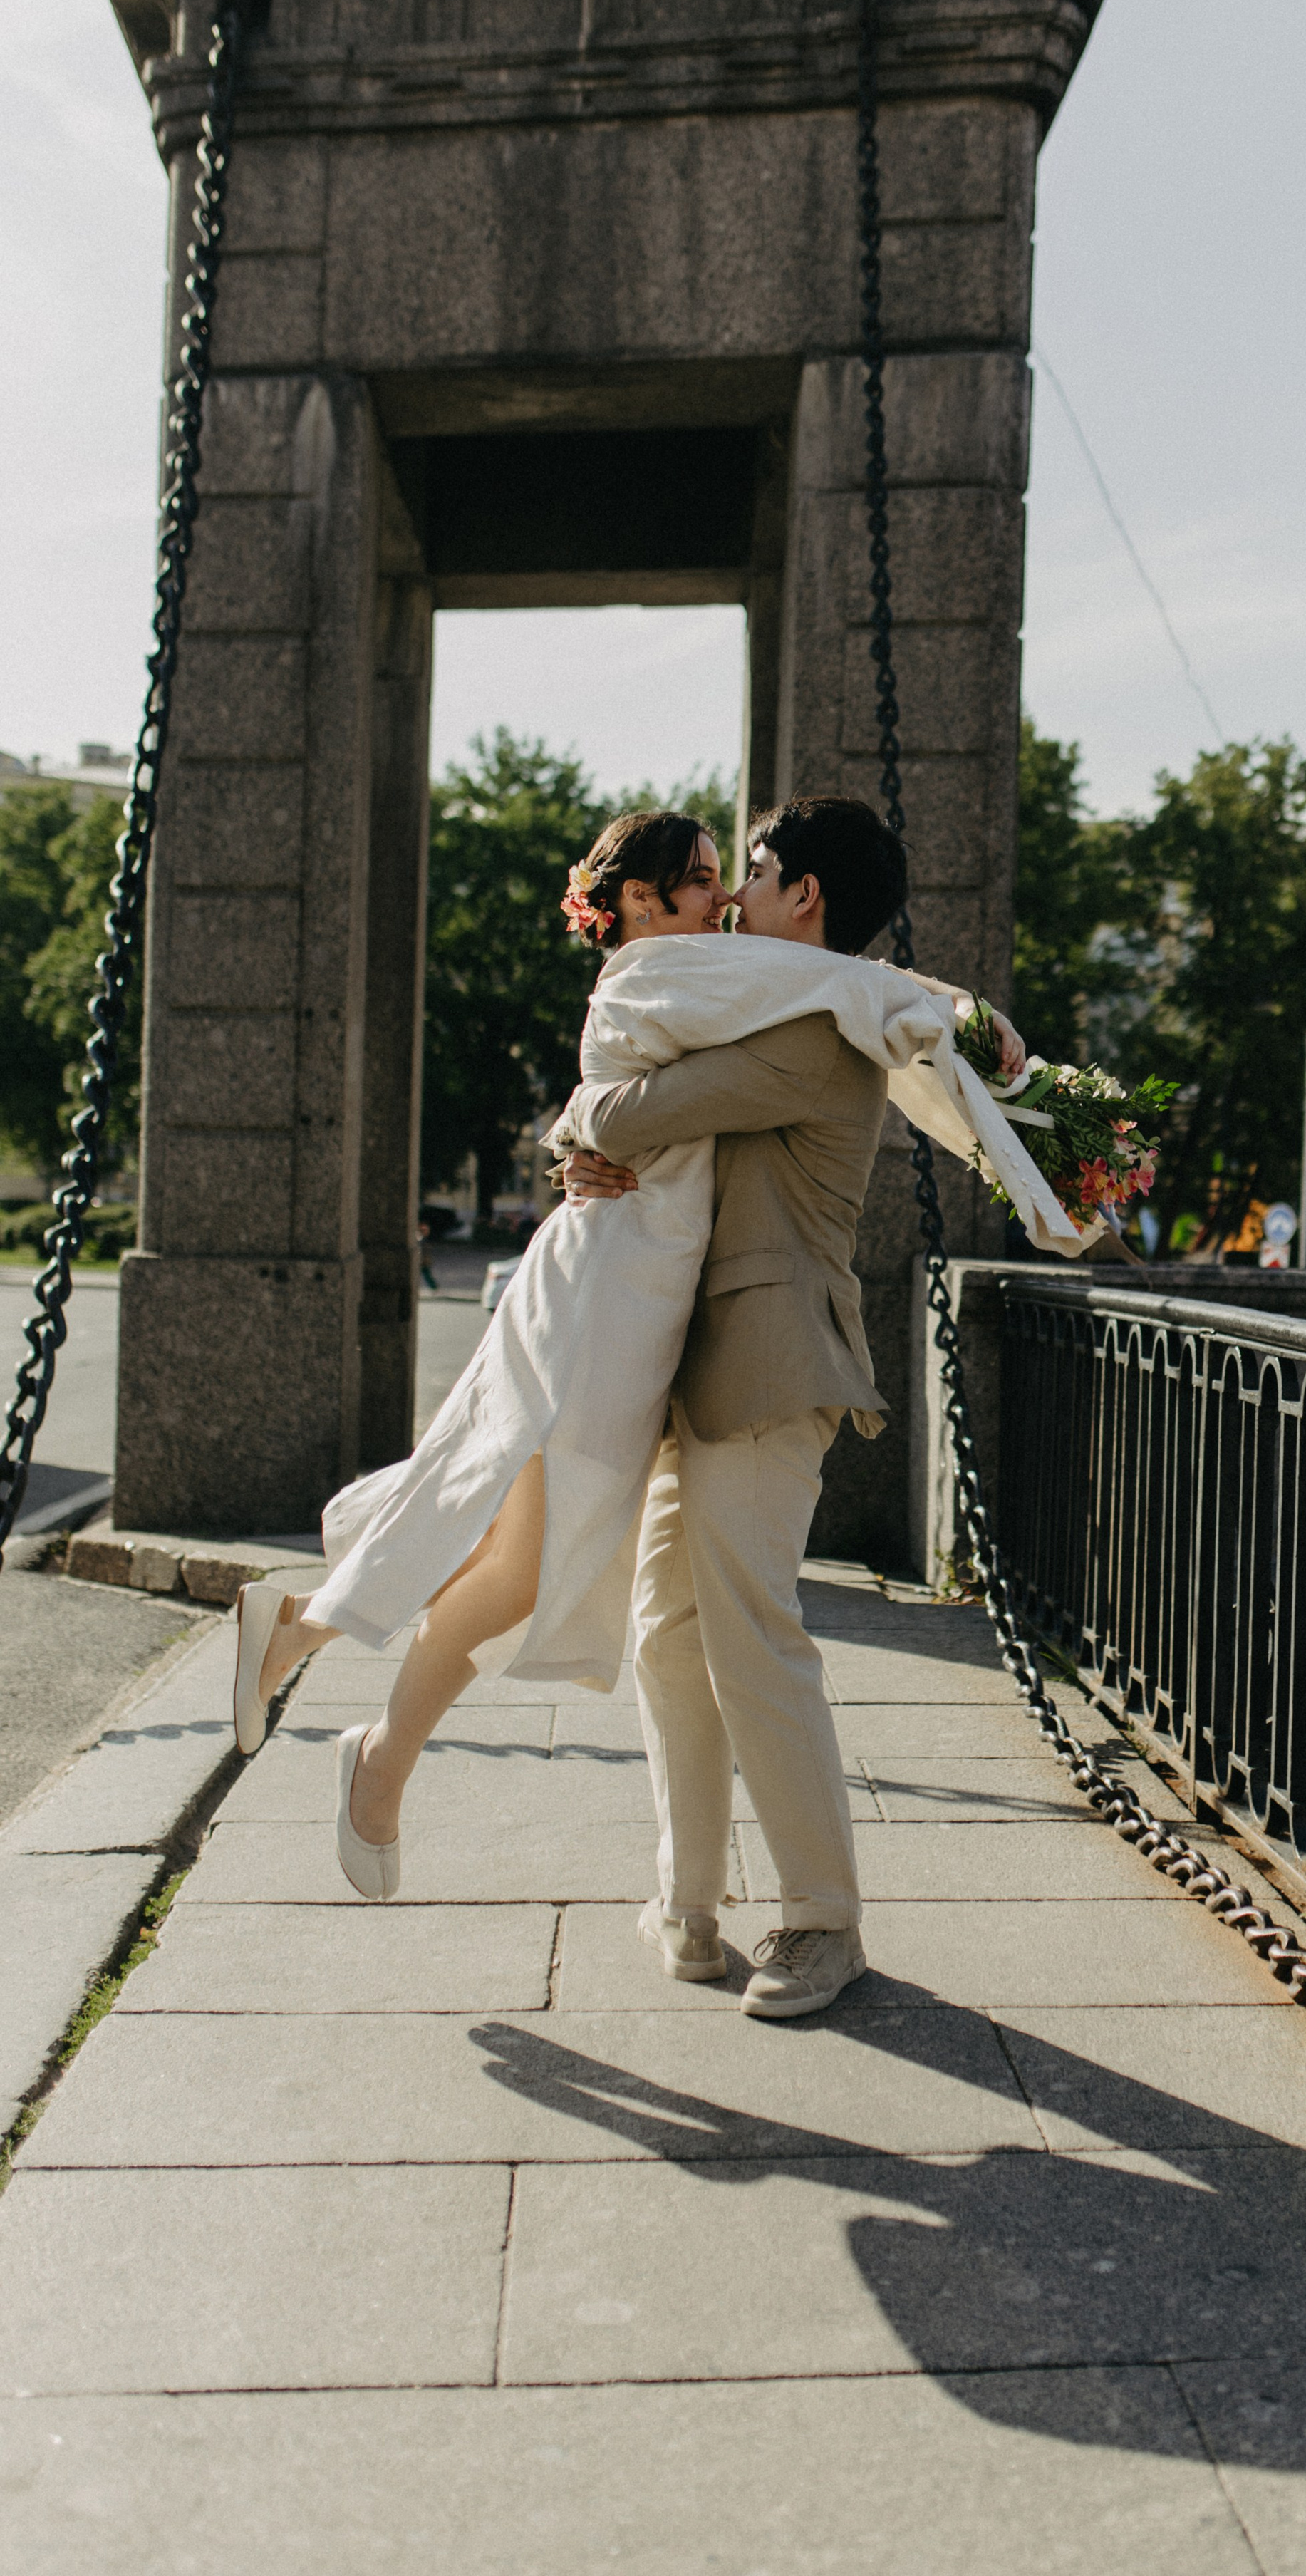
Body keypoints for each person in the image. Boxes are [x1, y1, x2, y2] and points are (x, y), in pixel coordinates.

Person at [232, 800, 1079, 1954]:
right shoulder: (758, 989)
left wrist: (585, 1128)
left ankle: (818, 1920)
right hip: (653, 1331)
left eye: (751, 872)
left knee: (702, 1618)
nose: (730, 897)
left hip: (753, 1357)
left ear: (806, 897)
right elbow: (657, 1063)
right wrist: (578, 1138)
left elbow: (646, 1103)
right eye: (710, 877)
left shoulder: (813, 1021)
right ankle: (682, 1904)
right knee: (630, 1609)